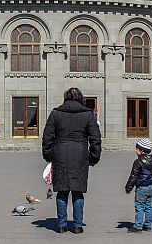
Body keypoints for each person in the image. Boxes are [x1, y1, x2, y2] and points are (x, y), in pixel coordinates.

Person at [42, 87, 102, 234]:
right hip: (80, 156)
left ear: (66, 98)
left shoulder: (56, 113)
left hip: (60, 154)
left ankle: (62, 225)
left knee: (62, 191)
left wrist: (49, 155)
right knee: (78, 191)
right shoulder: (88, 114)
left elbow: (47, 137)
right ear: (81, 98)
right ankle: (77, 226)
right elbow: (95, 139)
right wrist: (93, 158)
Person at [125, 138, 152, 233]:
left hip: (141, 188)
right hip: (150, 187)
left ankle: (138, 226)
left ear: (141, 150)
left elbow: (133, 176)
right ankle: (148, 225)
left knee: (139, 206)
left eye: (136, 149)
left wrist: (128, 187)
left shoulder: (138, 162)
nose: (135, 151)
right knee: (148, 206)